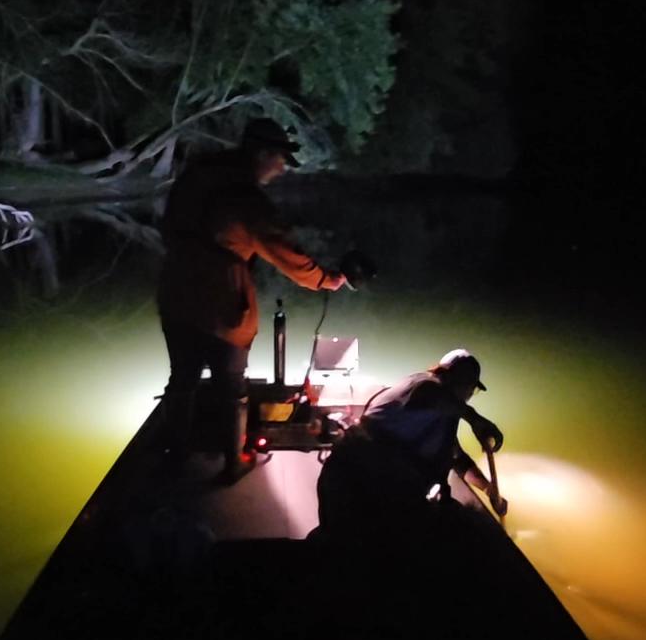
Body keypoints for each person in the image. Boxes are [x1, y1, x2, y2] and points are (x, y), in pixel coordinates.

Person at [156, 117, 347, 483]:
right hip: (221, 303)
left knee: (182, 380)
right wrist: (325, 279)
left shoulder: (198, 176)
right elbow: (283, 250)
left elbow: (169, 225)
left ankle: (174, 456)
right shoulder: (246, 198)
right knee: (232, 385)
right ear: (261, 153)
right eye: (279, 160)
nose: (281, 169)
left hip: (176, 293)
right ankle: (233, 463)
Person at [315, 348, 507, 545]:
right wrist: (474, 419)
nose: (469, 394)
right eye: (469, 387)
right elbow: (431, 397)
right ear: (451, 376)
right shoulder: (423, 385)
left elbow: (457, 458)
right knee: (343, 546)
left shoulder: (444, 412)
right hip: (351, 481)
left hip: (381, 487)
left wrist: (488, 489)